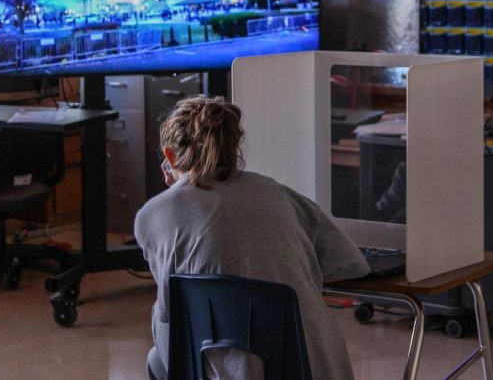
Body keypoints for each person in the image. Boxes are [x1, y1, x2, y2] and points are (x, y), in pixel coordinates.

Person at [135, 96, 370, 380]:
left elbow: (171, 316)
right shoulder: (280, 194)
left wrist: (175, 193)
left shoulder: (152, 215)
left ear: (169, 156)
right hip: (314, 371)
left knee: (158, 350)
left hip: (227, 371)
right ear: (234, 148)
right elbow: (349, 265)